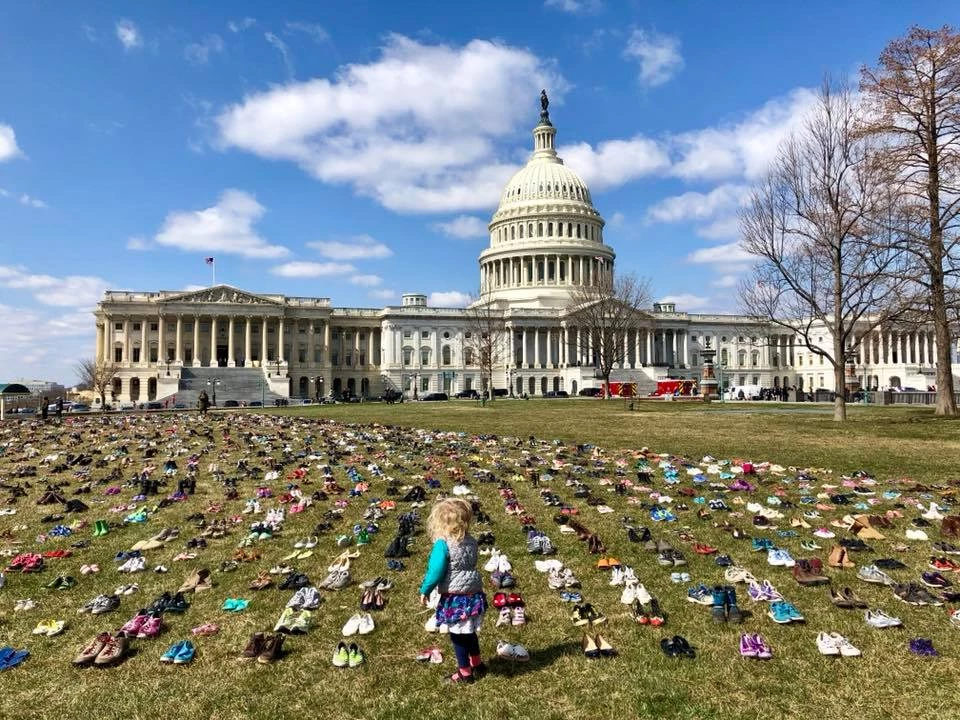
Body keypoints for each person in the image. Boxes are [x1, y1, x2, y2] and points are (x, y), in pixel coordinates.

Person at [419, 498, 487, 684]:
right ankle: (477, 663)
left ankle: (465, 672)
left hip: (456, 597)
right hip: (474, 594)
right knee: (469, 631)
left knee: (457, 636)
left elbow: (436, 571)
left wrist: (425, 589)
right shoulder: (472, 541)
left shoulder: (442, 544)